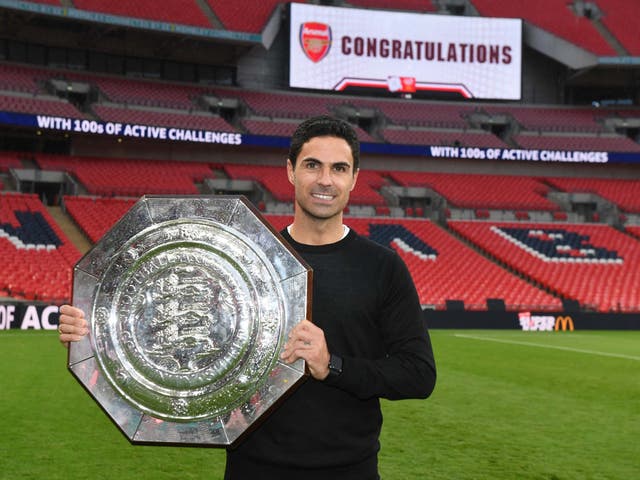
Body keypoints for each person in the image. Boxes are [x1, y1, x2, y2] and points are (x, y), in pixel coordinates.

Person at [58, 115, 437, 479]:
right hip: (253, 467)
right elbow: (171, 341)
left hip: (348, 470)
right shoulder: (244, 258)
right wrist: (94, 331)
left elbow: (419, 375)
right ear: (290, 170)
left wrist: (332, 365)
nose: (325, 180)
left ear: (354, 178)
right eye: (312, 165)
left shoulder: (382, 266)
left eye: (339, 168)